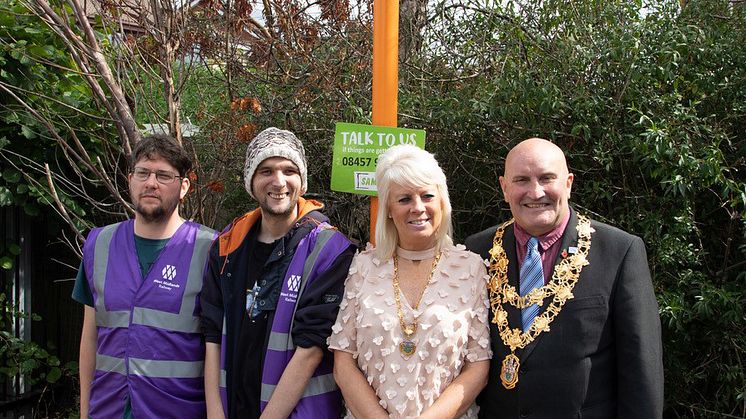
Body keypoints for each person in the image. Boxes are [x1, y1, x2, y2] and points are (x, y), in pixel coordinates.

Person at [465, 138, 664, 418]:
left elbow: (642, 369)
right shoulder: (478, 251)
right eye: (522, 180)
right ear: (504, 187)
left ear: (568, 183)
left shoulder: (619, 251)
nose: (535, 192)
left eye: (547, 178)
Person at [200, 127, 356, 419]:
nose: (279, 181)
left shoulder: (329, 250)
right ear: (251, 181)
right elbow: (212, 332)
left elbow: (312, 347)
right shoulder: (225, 247)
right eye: (266, 171)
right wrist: (214, 411)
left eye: (289, 170)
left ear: (302, 181)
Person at [329, 144, 492, 418]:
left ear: (442, 201)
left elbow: (478, 365)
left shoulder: (471, 267)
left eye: (427, 196)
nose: (418, 208)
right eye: (404, 199)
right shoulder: (364, 266)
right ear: (389, 209)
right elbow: (343, 360)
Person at [72, 135, 218, 418]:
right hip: (108, 410)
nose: (151, 183)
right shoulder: (99, 244)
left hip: (178, 411)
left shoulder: (210, 249)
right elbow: (90, 338)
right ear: (130, 179)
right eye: (143, 173)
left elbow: (218, 347)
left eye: (163, 175)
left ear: (184, 186)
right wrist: (84, 412)